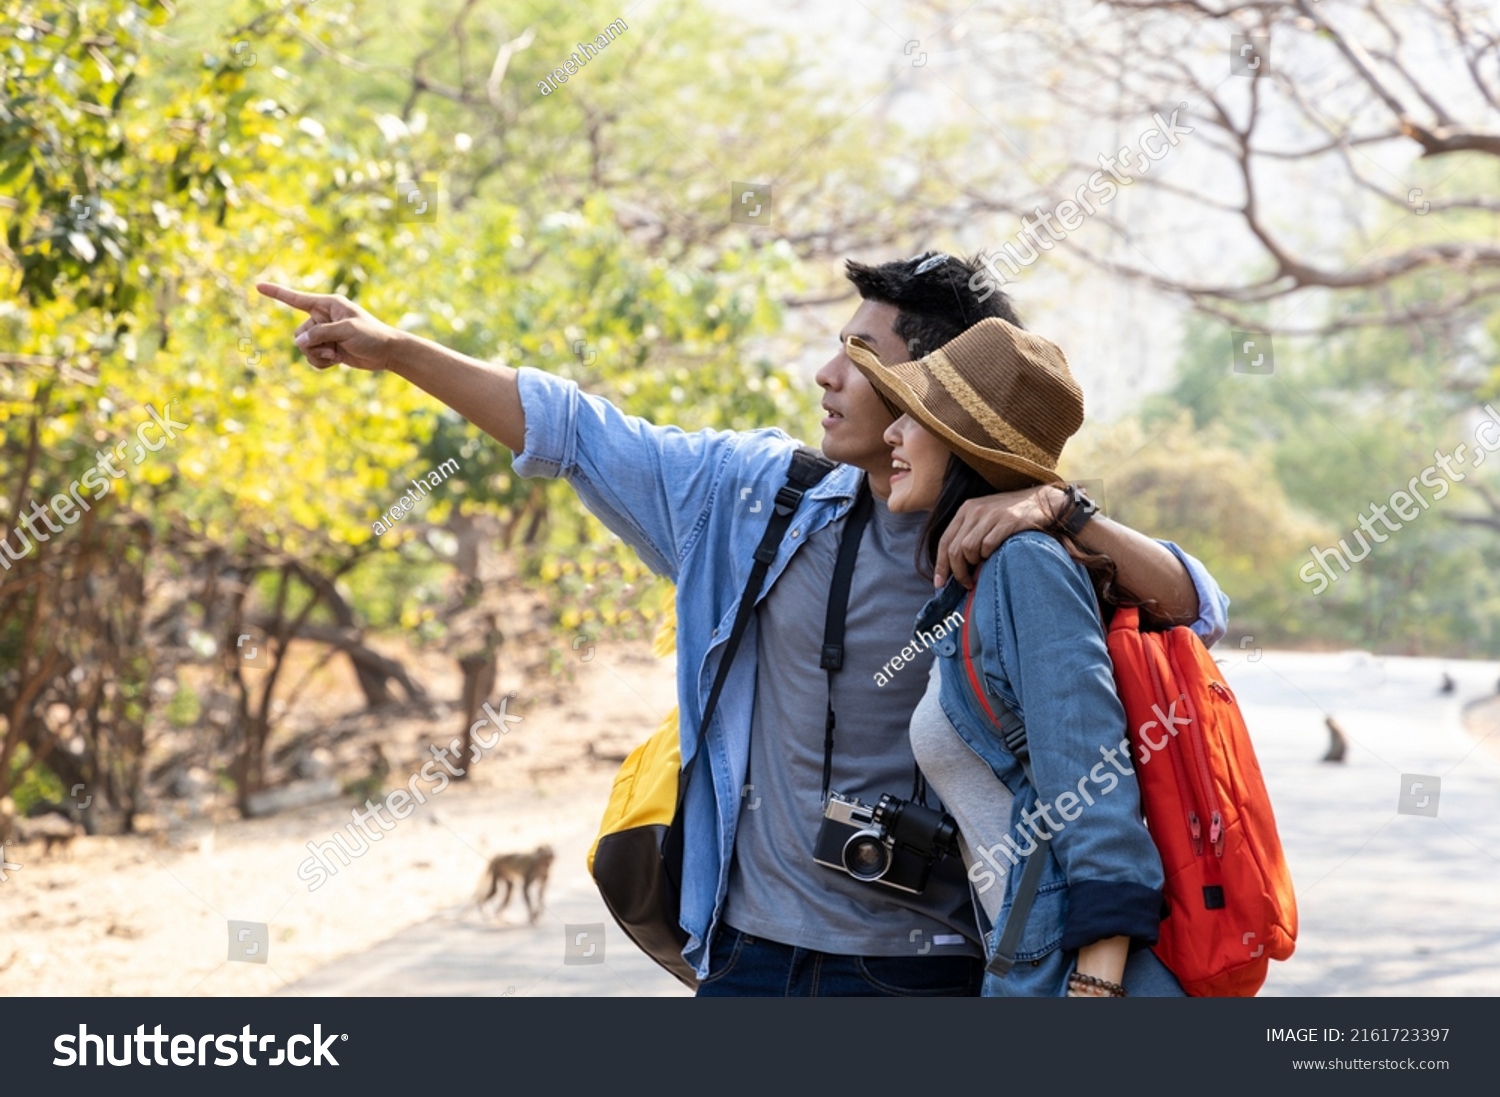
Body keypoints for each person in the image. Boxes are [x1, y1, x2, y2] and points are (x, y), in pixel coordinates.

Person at [257, 250, 1227, 995]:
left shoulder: (1008, 548)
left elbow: (1195, 608)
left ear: (938, 389)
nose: (826, 377)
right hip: (751, 957)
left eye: (861, 356)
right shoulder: (756, 499)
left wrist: (1065, 511)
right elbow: (576, 430)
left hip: (926, 968)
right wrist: (397, 352)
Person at [848, 314, 1186, 997]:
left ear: (960, 443)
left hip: (1074, 980)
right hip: (1027, 966)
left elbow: (1095, 789)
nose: (891, 433)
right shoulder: (980, 583)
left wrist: (1095, 988)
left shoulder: (1026, 567)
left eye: (911, 416)